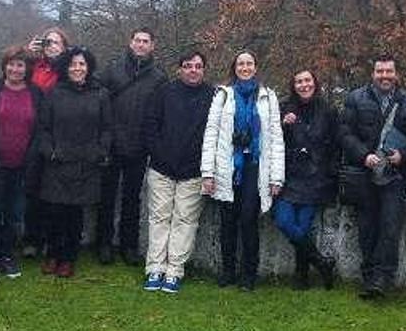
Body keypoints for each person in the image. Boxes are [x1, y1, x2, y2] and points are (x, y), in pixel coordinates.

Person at [201, 50, 284, 291]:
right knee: (227, 221)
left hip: (255, 168)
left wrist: (276, 177)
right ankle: (228, 271)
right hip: (227, 166)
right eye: (241, 64)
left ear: (256, 68)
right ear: (234, 68)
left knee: (249, 220)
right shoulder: (223, 96)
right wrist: (208, 172)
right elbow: (211, 133)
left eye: (249, 63)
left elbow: (276, 138)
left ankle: (249, 274)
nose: (245, 67)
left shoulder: (268, 97)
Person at [339, 55, 406, 299]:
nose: (384, 76)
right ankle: (369, 274)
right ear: (372, 73)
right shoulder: (355, 98)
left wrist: (404, 155)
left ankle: (382, 277)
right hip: (364, 174)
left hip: (396, 175)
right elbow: (344, 133)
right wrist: (363, 155)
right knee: (366, 227)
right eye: (380, 71)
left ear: (396, 74)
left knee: (390, 226)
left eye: (389, 71)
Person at [36, 46, 113, 278]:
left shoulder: (100, 94)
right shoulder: (54, 93)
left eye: (82, 64)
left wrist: (101, 151)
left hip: (86, 163)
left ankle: (68, 257)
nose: (77, 68)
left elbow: (107, 128)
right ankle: (52, 253)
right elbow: (43, 128)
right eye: (73, 64)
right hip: (58, 162)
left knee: (74, 215)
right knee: (54, 212)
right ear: (65, 67)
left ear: (88, 68)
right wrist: (50, 152)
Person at [140, 51, 214, 294]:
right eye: (188, 65)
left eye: (198, 66)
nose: (193, 70)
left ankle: (174, 271)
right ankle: (155, 268)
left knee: (185, 221)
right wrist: (159, 154)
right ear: (179, 69)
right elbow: (150, 125)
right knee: (159, 219)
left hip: (193, 171)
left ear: (204, 70)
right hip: (162, 168)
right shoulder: (164, 92)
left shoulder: (213, 96)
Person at [96, 28, 167, 265]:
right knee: (107, 197)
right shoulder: (113, 69)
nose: (141, 44)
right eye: (137, 40)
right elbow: (97, 97)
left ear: (152, 46)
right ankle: (104, 243)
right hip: (112, 144)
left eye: (146, 41)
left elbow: (160, 114)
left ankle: (129, 245)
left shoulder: (158, 78)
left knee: (132, 198)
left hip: (139, 146)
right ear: (130, 42)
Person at [0, 45, 43, 282]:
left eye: (20, 65)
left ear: (26, 68)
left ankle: (6, 254)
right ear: (5, 65)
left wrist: (32, 159)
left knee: (15, 214)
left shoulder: (36, 94)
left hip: (23, 166)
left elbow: (40, 130)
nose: (15, 69)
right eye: (12, 64)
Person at [274, 69, 338, 290]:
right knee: (284, 221)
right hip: (290, 174)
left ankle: (301, 277)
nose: (303, 85)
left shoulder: (328, 110)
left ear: (314, 82)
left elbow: (334, 144)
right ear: (293, 86)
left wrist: (330, 174)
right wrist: (284, 124)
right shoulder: (284, 107)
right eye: (299, 81)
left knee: (303, 226)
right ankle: (322, 262)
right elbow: (273, 140)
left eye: (307, 80)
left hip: (316, 176)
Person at [21, 27, 70, 258]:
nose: (50, 46)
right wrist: (27, 54)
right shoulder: (33, 66)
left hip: (59, 134)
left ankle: (52, 241)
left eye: (55, 42)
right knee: (31, 189)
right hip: (31, 132)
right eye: (47, 42)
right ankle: (31, 238)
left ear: (64, 46)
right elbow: (16, 77)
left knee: (54, 191)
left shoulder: (68, 68)